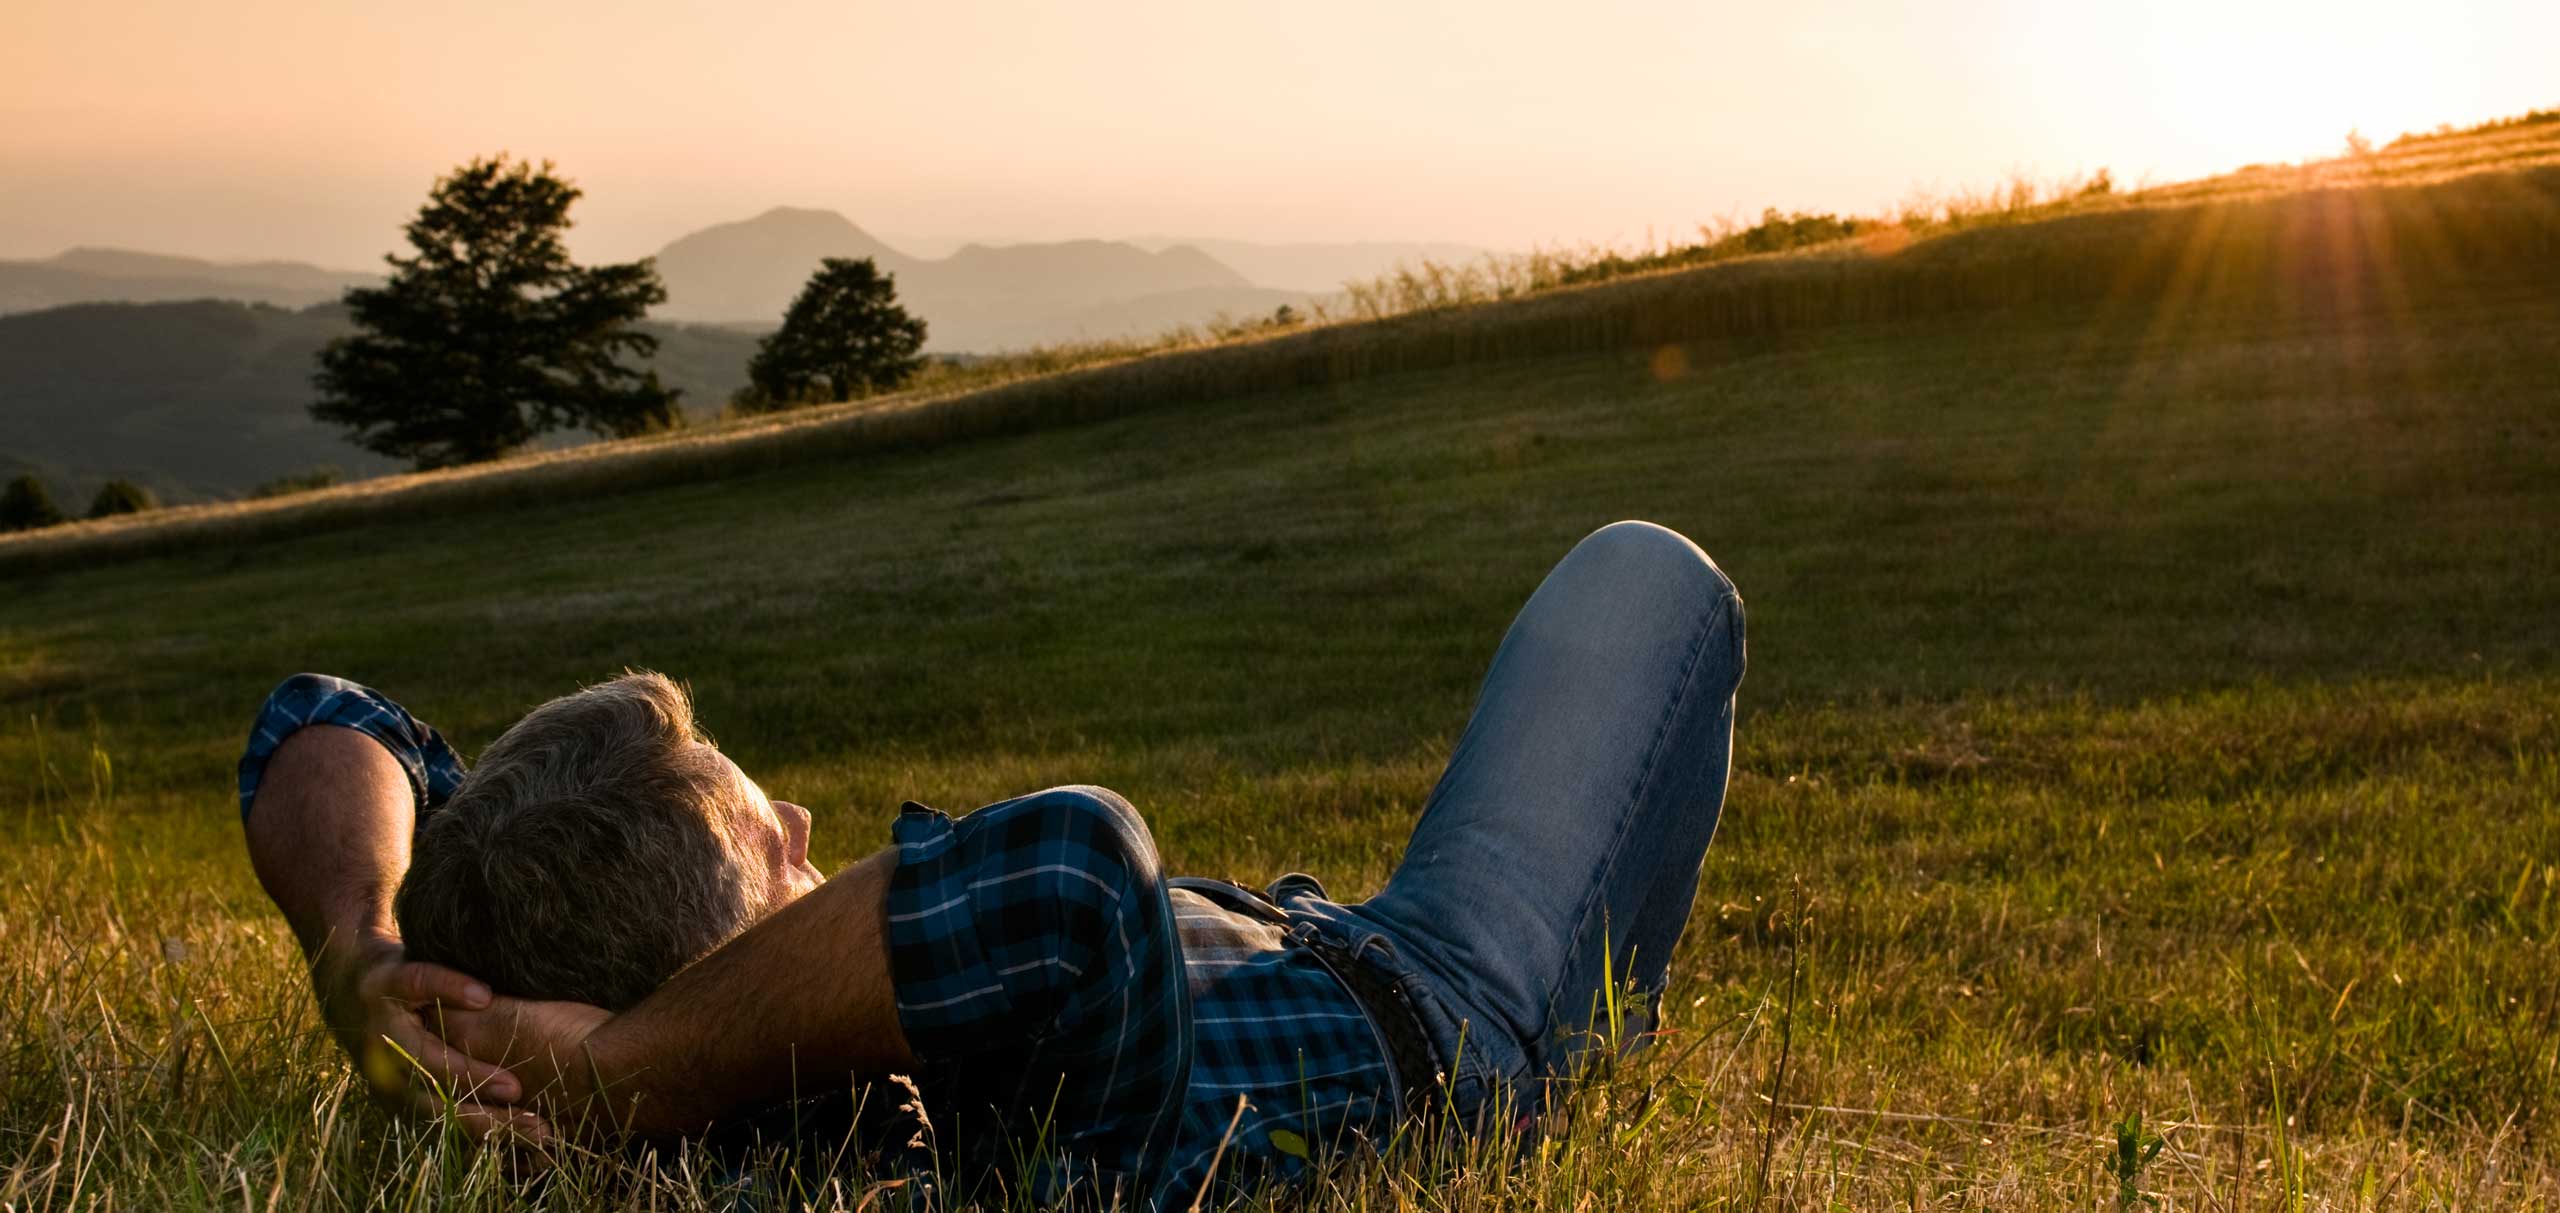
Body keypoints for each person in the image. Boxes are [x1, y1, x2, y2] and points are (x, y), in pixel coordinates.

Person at [237, 520, 1746, 1209]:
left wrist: (358, 948)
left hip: (1296, 930)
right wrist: (634, 1068)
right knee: (1648, 580)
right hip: (1450, 1007)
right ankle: (1587, 1036)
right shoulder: (929, 1114)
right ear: (723, 977)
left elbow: (318, 715)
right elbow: (1076, 864)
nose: (813, 837)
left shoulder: (515, 935)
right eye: (779, 847)